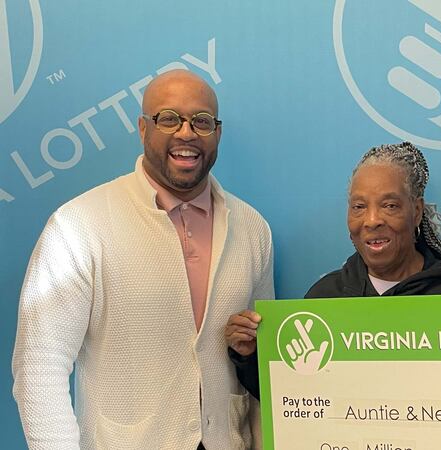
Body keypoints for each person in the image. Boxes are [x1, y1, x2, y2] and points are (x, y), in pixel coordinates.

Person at [12, 69, 274, 450]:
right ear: (142, 128)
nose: (186, 133)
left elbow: (263, 359)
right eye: (168, 119)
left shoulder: (253, 228)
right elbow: (39, 366)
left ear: (217, 133)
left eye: (201, 121)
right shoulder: (77, 226)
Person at [225, 141, 441, 398]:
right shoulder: (324, 299)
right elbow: (294, 400)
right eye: (359, 207)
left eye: (389, 205)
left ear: (416, 211)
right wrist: (250, 357)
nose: (372, 220)